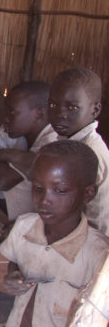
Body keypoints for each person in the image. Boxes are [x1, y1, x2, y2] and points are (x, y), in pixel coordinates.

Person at [0, 141, 109, 327]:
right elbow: (15, 262)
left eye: (60, 190)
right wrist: (13, 276)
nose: (44, 200)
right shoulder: (24, 227)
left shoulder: (98, 254)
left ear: (88, 193)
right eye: (38, 188)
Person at [0, 81, 56, 220]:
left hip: (30, 216)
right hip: (8, 202)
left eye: (12, 112)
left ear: (39, 115)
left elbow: (3, 181)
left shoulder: (52, 142)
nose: (6, 118)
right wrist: (5, 154)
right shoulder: (15, 131)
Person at [48, 67, 109, 235]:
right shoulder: (67, 141)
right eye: (53, 104)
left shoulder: (88, 153)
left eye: (72, 108)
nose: (60, 114)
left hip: (92, 240)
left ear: (95, 110)